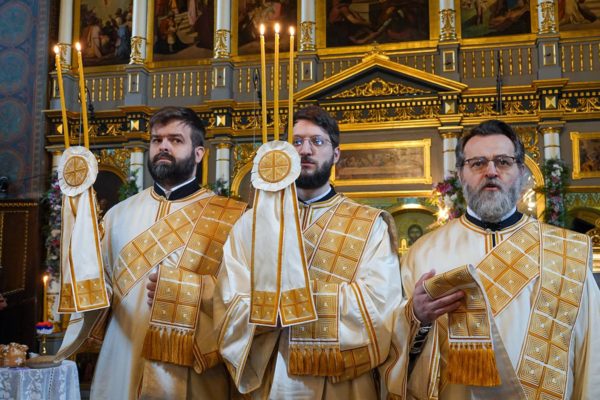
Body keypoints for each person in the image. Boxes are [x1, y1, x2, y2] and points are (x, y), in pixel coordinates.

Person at [382, 120, 600, 399]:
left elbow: (592, 351)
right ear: (460, 174)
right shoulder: (423, 253)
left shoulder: (568, 251)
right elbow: (392, 346)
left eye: (503, 162)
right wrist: (417, 317)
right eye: (478, 163)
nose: (491, 171)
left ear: (521, 172)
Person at [56, 106, 247, 399]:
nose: (163, 147)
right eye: (157, 140)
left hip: (192, 370)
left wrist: (188, 289)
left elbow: (245, 297)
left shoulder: (232, 217)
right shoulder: (117, 215)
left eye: (175, 140)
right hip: (121, 361)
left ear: (199, 153)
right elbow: (98, 290)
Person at [215, 105, 402, 398]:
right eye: (297, 142)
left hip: (342, 383)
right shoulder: (251, 224)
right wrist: (266, 314)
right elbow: (228, 298)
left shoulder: (369, 225)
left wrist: (291, 304)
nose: (305, 150)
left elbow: (380, 307)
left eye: (317, 141)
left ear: (335, 154)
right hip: (271, 379)